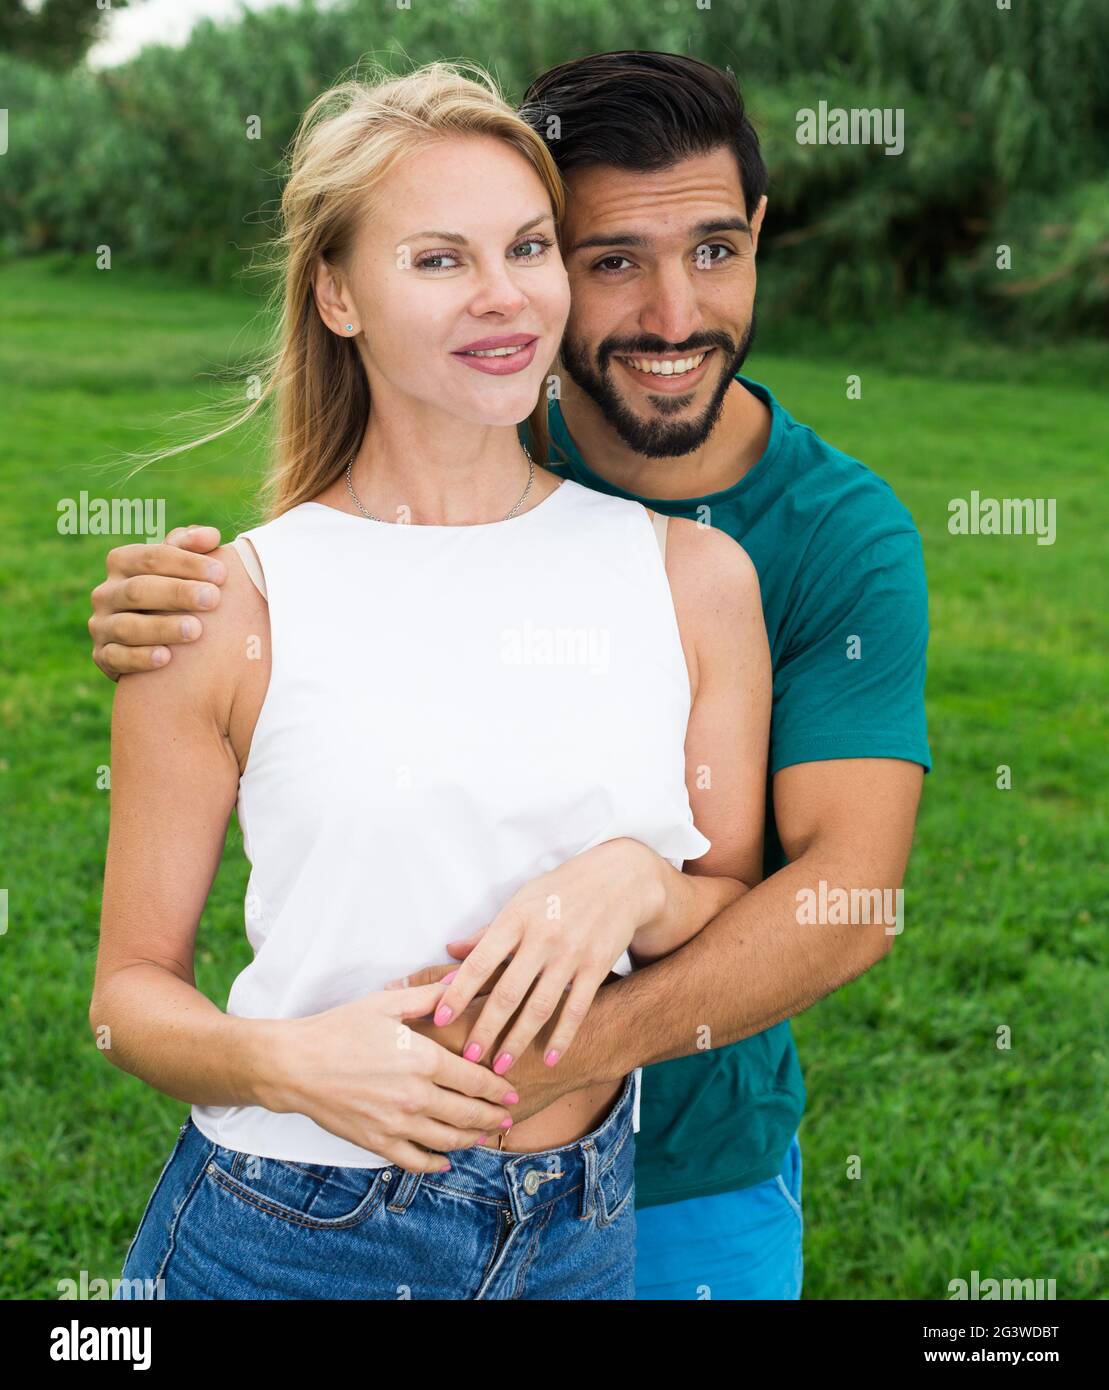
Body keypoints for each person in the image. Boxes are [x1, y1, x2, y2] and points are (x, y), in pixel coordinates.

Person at [88, 52, 930, 1300]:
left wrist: (634, 882)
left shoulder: (713, 573)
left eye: (526, 248)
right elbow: (126, 996)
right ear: (335, 294)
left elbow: (781, 893)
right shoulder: (233, 603)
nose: (502, 297)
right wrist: (284, 1065)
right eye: (438, 259)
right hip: (293, 1221)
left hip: (595, 1215)